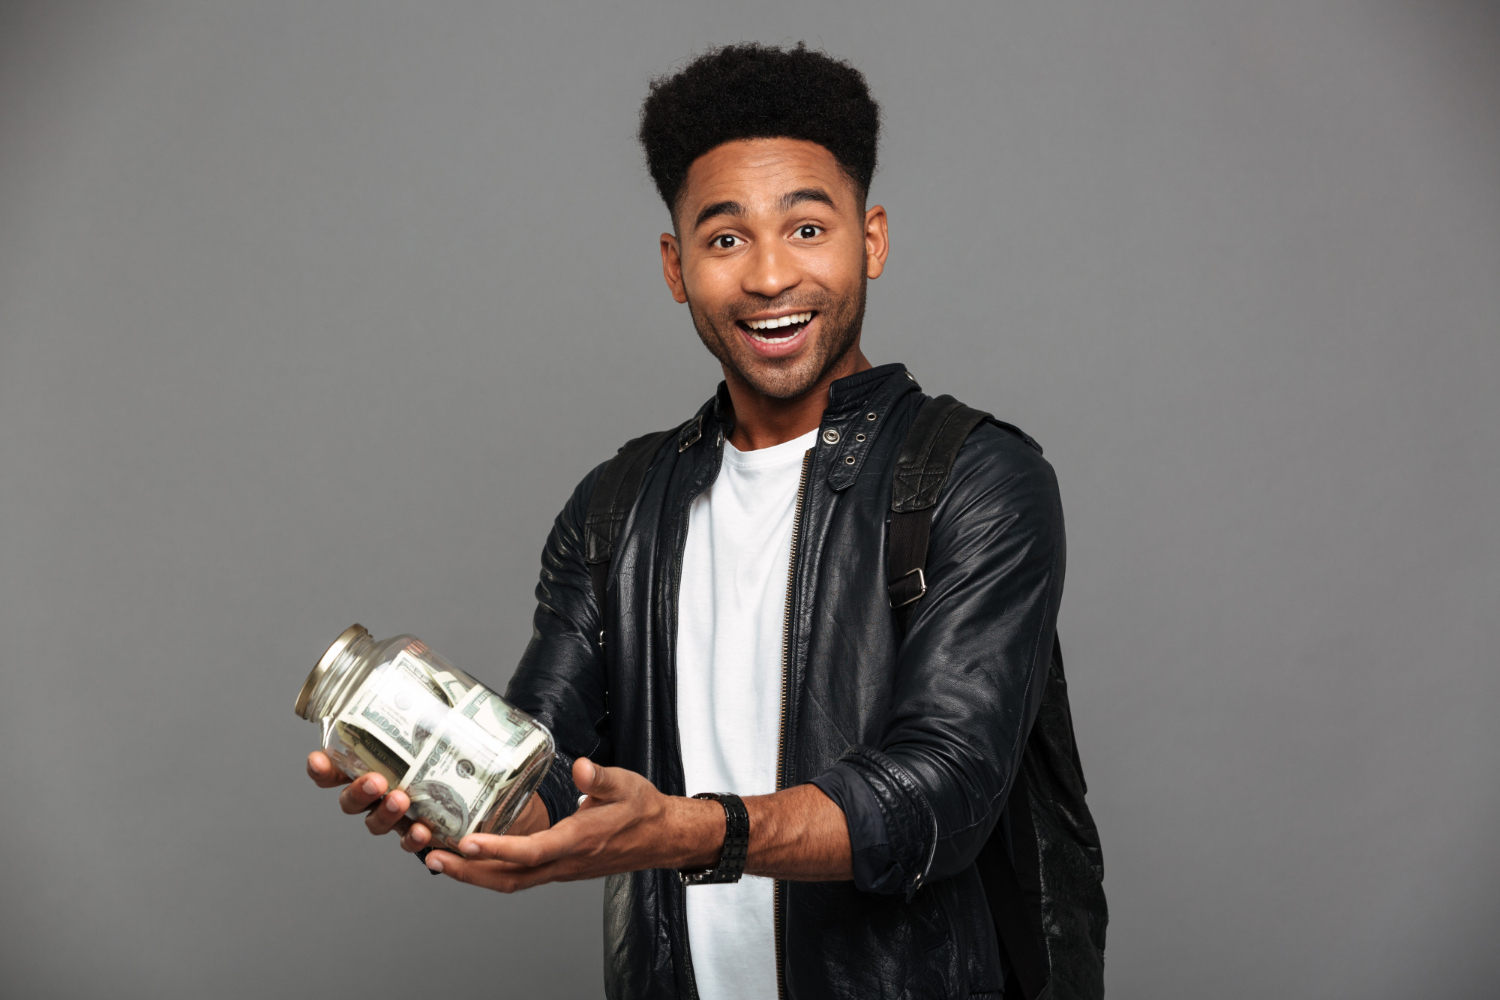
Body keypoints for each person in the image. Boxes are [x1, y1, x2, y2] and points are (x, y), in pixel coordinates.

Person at [306, 43, 1102, 999]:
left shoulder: (973, 477)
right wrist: (450, 790)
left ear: (872, 240)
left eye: (806, 228)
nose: (769, 276)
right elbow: (549, 772)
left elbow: (942, 793)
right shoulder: (617, 507)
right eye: (726, 240)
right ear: (676, 266)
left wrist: (694, 832)